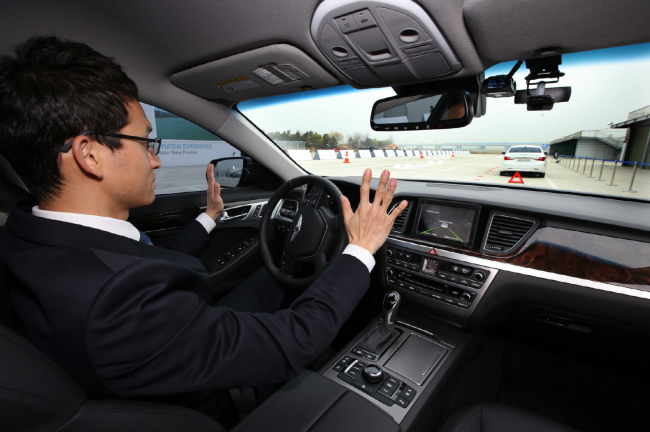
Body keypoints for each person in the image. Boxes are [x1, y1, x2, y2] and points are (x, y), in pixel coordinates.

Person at [0, 36, 407, 424]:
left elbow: (147, 257)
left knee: (275, 277)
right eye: (145, 142)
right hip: (213, 407)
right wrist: (360, 249)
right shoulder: (117, 304)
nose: (155, 161)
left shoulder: (25, 236)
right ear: (90, 155)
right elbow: (293, 340)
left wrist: (209, 216)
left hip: (176, 339)